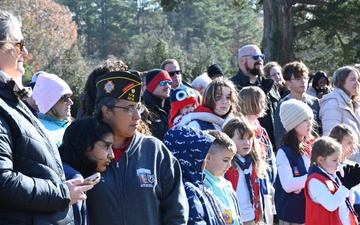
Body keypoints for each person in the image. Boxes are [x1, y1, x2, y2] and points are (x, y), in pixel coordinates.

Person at [0, 9, 92, 224]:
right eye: (19, 44)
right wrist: (62, 193)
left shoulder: (11, 100)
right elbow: (2, 181)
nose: (26, 52)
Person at [87, 70, 188, 225]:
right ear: (106, 111)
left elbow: (177, 212)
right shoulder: (85, 150)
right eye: (129, 109)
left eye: (138, 107)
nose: (137, 116)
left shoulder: (155, 151)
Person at [164, 126, 226, 225]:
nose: (206, 160)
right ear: (191, 156)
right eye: (202, 155)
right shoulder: (188, 189)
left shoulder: (197, 185)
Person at [60, 117, 115, 225]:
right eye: (106, 146)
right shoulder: (73, 178)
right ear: (85, 144)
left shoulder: (64, 170)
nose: (111, 155)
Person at [223, 117, 274, 225]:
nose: (247, 142)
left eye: (249, 137)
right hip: (234, 218)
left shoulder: (255, 162)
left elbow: (264, 192)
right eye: (241, 138)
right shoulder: (226, 164)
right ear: (229, 139)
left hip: (255, 217)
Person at [230, 44, 281, 147]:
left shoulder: (270, 85)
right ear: (242, 60)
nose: (260, 60)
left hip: (273, 145)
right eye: (255, 56)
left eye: (261, 56)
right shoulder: (232, 86)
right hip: (246, 146)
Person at [274, 99, 315, 225]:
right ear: (293, 123)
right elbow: (288, 185)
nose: (310, 124)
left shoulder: (311, 146)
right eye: (304, 120)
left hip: (309, 212)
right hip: (292, 216)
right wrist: (314, 176)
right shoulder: (284, 152)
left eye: (310, 119)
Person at [305, 137, 359, 225]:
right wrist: (346, 186)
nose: (338, 164)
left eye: (339, 160)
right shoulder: (315, 180)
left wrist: (350, 186)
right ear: (321, 160)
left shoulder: (332, 176)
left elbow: (349, 203)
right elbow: (331, 205)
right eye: (334, 160)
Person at [274, 61, 320, 149]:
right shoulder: (283, 105)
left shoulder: (315, 102)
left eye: (305, 78)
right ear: (288, 83)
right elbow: (280, 135)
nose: (303, 82)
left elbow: (318, 131)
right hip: (292, 152)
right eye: (298, 79)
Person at [320, 66, 360, 162]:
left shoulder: (354, 104)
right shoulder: (333, 104)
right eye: (352, 79)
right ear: (341, 82)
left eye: (357, 79)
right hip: (344, 166)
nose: (357, 83)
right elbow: (331, 140)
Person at [238, 86, 277, 184]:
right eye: (261, 102)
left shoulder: (261, 129)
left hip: (265, 178)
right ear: (250, 103)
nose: (265, 106)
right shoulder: (239, 129)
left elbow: (270, 157)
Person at [204, 129, 243, 225]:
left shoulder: (226, 184)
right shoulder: (203, 184)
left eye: (231, 160)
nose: (229, 165)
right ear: (208, 158)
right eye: (225, 160)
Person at [32, 72, 73, 147]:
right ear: (51, 103)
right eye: (65, 98)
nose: (71, 102)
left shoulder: (66, 124)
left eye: (70, 97)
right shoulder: (47, 135)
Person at [329, 124, 360, 219]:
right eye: (349, 143)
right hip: (345, 212)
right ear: (336, 143)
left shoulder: (353, 164)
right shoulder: (331, 168)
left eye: (354, 143)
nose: (353, 147)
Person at [141, 69, 172, 140]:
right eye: (163, 83)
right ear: (152, 86)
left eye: (169, 82)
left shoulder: (172, 106)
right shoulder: (143, 109)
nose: (168, 86)